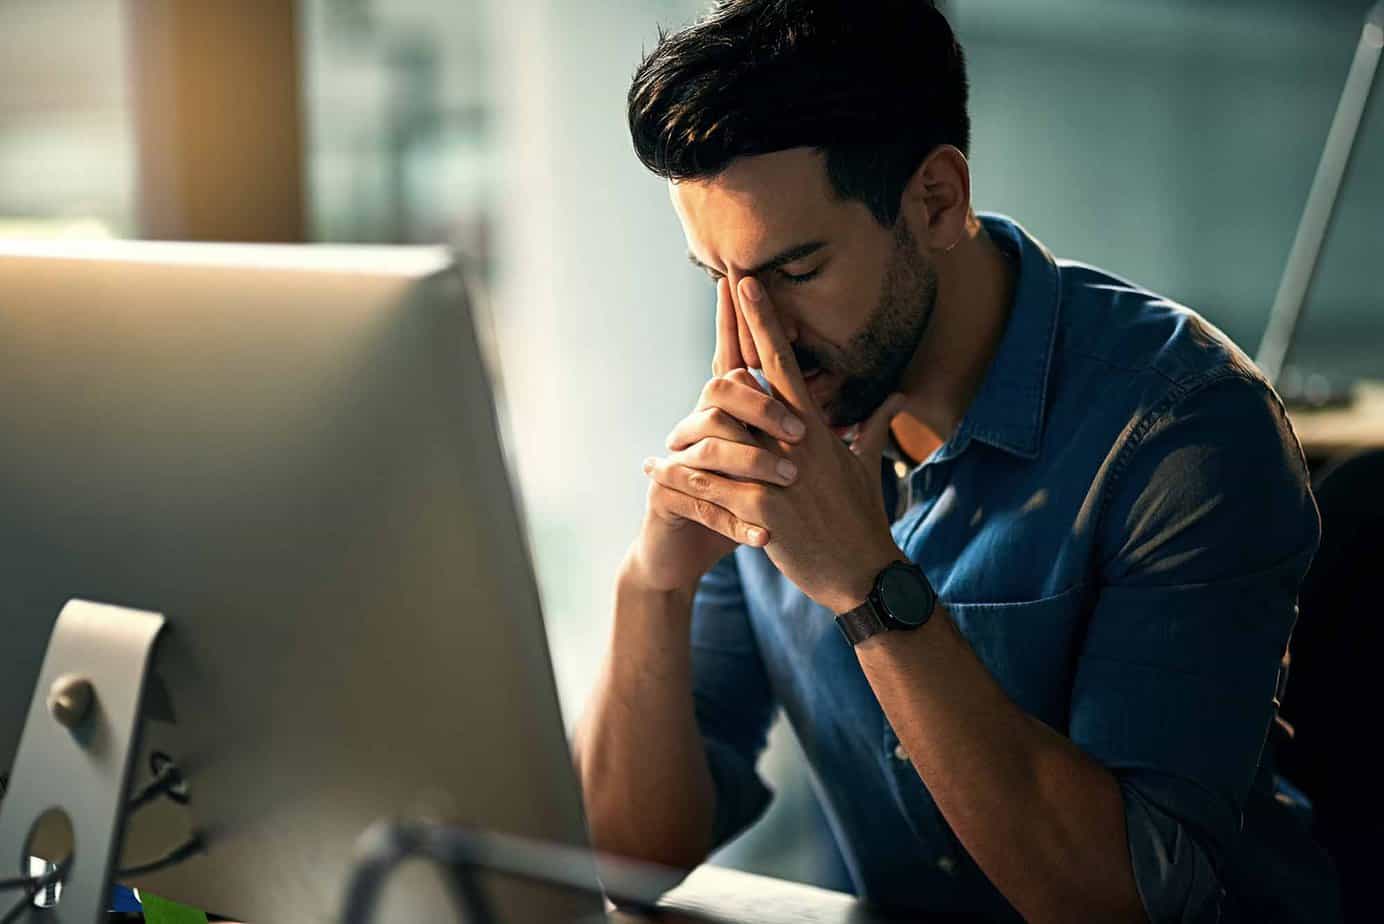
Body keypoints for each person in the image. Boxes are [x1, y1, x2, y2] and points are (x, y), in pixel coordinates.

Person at [571, 2, 1340, 920]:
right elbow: (626, 862)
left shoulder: (1182, 430)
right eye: (720, 280)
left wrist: (866, 580)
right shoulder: (785, 423)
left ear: (936, 199)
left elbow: (1131, 901)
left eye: (796, 269)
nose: (753, 341)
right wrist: (653, 584)